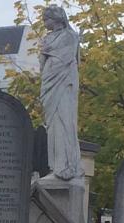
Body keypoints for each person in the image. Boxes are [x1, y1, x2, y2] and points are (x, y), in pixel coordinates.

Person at [39, 6, 81, 182]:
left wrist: (47, 51)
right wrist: (44, 53)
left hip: (63, 84)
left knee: (64, 122)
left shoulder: (70, 36)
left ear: (56, 19)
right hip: (50, 84)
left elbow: (65, 58)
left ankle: (66, 167)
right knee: (53, 125)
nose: (44, 23)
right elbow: (44, 63)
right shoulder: (47, 38)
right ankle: (55, 167)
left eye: (46, 19)